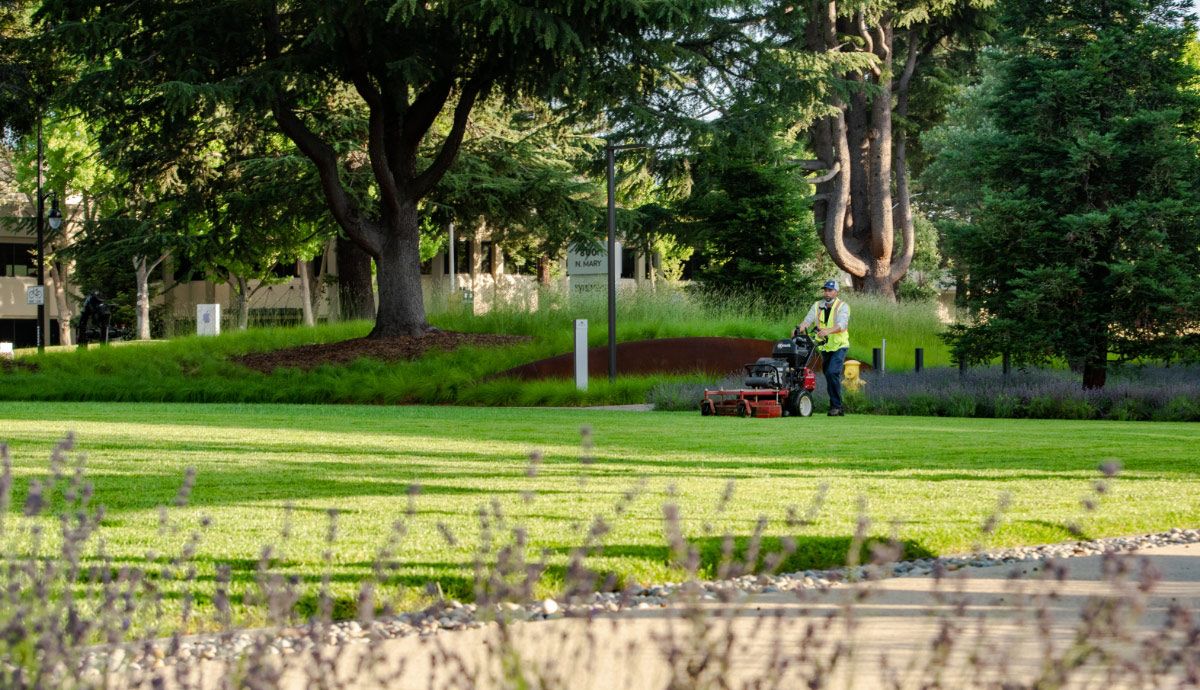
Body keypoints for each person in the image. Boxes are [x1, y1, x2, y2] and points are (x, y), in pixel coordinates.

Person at [796, 279, 850, 416]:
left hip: (839, 346)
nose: (827, 293)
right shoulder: (817, 305)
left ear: (836, 292)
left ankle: (837, 406)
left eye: (830, 290)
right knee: (829, 375)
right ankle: (836, 406)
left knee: (832, 373)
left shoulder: (842, 306)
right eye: (825, 290)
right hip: (825, 347)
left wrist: (828, 331)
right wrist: (800, 328)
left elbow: (842, 324)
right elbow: (808, 320)